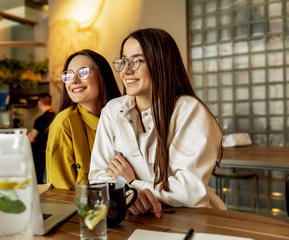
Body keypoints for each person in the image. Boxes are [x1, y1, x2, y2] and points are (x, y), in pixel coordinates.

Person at [89, 28, 226, 218]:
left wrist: (131, 184)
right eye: (123, 61)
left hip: (189, 219)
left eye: (137, 61)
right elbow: (97, 179)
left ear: (163, 63)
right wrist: (130, 193)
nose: (126, 71)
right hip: (135, 219)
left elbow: (189, 195)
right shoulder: (112, 111)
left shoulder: (189, 111)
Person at [46, 49, 121, 189]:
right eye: (68, 75)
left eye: (83, 72)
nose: (74, 81)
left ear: (102, 75)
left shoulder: (124, 118)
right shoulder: (65, 123)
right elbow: (62, 195)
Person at [28, 93, 55, 184]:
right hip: (53, 152)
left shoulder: (40, 119)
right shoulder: (56, 116)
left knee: (41, 180)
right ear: (51, 103)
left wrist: (29, 136)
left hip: (41, 154)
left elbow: (32, 138)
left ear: (39, 103)